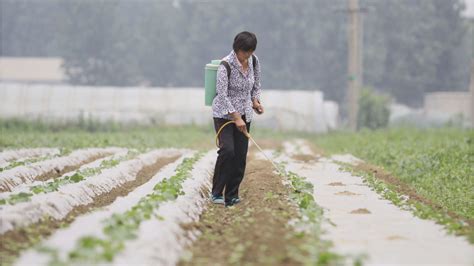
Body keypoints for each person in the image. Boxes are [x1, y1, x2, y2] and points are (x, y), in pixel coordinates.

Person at [211, 31, 264, 207]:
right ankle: (216, 192)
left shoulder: (254, 62)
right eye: (244, 52)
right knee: (228, 151)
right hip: (224, 115)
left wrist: (255, 101)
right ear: (237, 49)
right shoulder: (225, 65)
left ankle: (232, 195)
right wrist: (235, 117)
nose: (247, 56)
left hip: (245, 114)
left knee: (240, 156)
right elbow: (222, 95)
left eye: (250, 52)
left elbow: (256, 86)